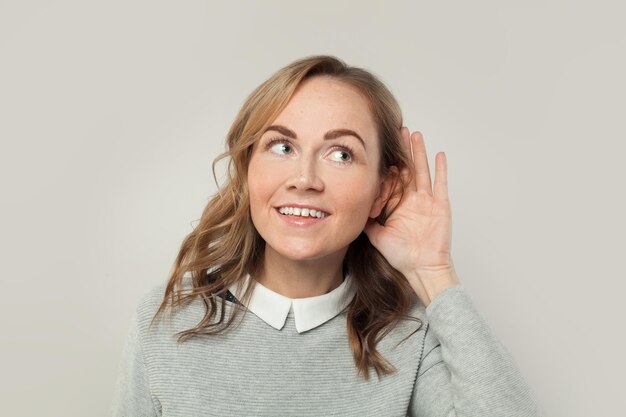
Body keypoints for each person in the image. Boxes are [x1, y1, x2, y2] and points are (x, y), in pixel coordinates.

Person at [110, 55, 541, 416]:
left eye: (341, 154)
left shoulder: (409, 335)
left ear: (383, 190)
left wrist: (434, 271)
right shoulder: (164, 322)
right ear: (247, 169)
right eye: (282, 146)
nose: (305, 178)